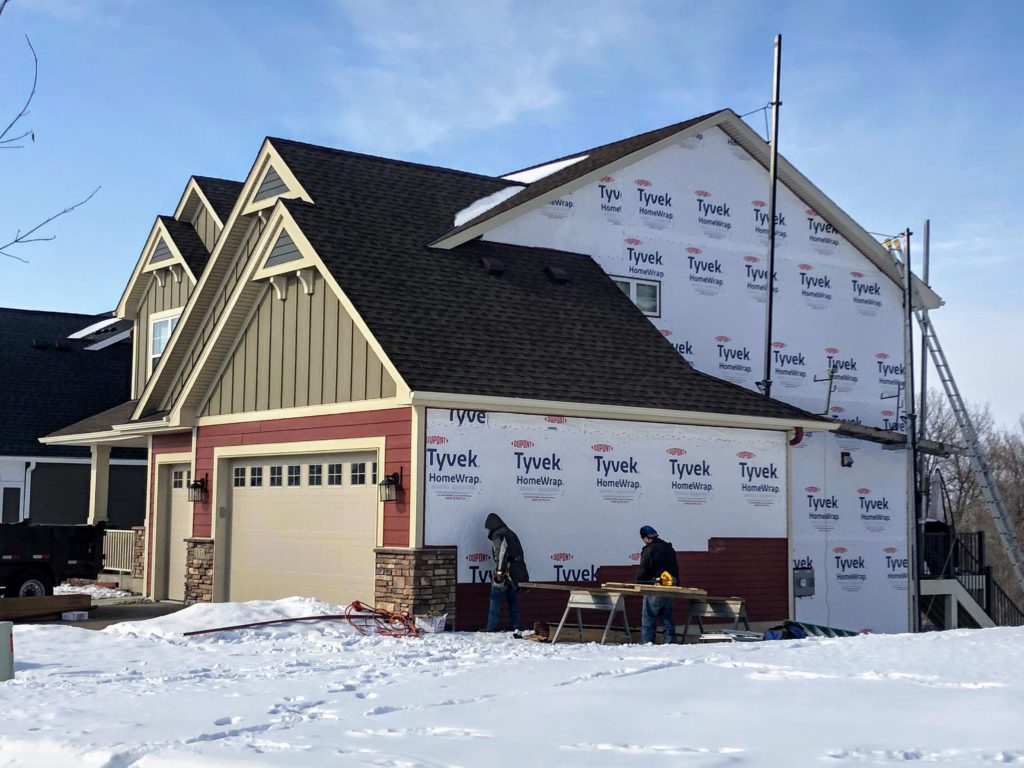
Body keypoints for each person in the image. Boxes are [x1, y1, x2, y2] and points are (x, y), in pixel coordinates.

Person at [484, 512, 530, 635]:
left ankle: (491, 626)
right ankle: (515, 625)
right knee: (513, 599)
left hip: (506, 571)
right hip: (517, 571)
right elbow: (520, 553)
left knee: (495, 598)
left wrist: (500, 571)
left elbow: (501, 552)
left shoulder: (498, 534)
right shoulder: (511, 533)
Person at [636, 524, 680, 644]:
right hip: (669, 588)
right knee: (667, 617)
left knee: (649, 617)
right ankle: (671, 643)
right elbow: (676, 568)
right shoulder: (669, 548)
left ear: (645, 538)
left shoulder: (649, 549)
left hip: (654, 587)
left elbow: (644, 569)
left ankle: (648, 643)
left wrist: (638, 581)